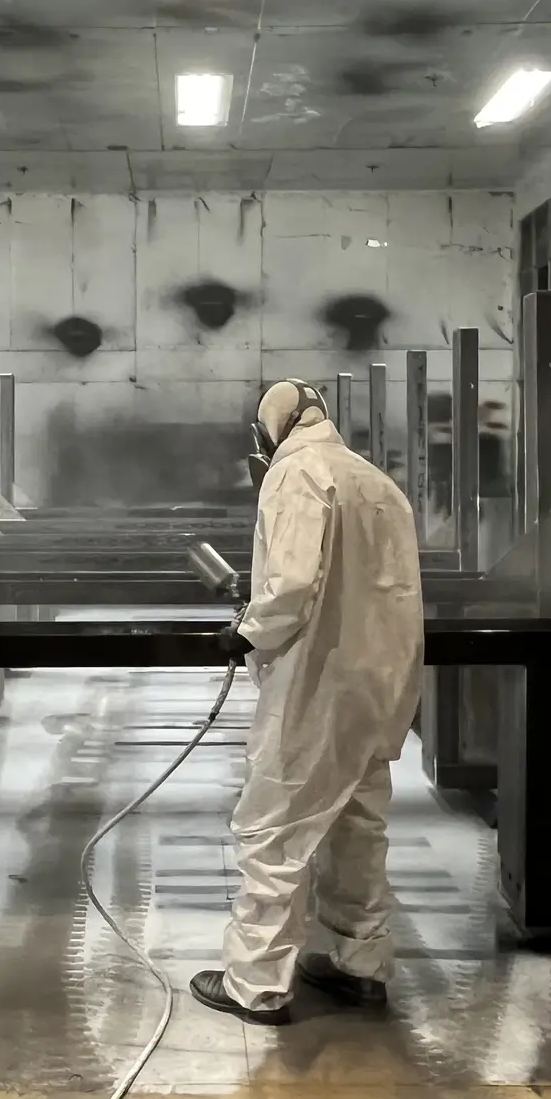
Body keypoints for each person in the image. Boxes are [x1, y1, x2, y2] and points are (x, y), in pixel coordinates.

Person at [190, 379, 425, 1024]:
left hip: (317, 686)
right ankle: (361, 967)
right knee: (357, 830)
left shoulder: (296, 473)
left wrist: (247, 631)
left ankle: (257, 985)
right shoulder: (377, 483)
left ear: (272, 427)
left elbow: (290, 584)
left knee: (273, 830)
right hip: (379, 688)